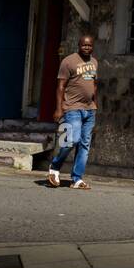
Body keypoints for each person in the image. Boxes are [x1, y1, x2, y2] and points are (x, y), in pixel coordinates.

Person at [47, 35, 98, 190]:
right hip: (72, 108)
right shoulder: (68, 61)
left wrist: (94, 101)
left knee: (84, 145)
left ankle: (76, 179)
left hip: (89, 110)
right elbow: (60, 86)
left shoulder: (94, 62)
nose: (87, 48)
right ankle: (55, 167)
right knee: (71, 140)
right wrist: (58, 108)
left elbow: (94, 83)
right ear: (79, 45)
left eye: (89, 46)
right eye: (84, 45)